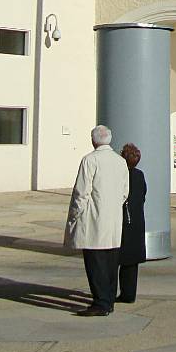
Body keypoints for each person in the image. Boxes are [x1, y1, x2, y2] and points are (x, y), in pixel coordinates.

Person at [64, 125, 130, 316]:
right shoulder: (120, 162)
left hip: (93, 220)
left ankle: (100, 303)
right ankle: (108, 300)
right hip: (113, 220)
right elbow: (125, 192)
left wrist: (75, 215)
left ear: (93, 140)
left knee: (95, 263)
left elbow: (81, 193)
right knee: (110, 263)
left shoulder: (89, 160)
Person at [116, 143, 147, 304]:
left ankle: (115, 293)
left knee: (117, 259)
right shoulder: (140, 175)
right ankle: (129, 294)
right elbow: (143, 195)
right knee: (132, 262)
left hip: (123, 221)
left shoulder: (119, 175)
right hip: (137, 221)